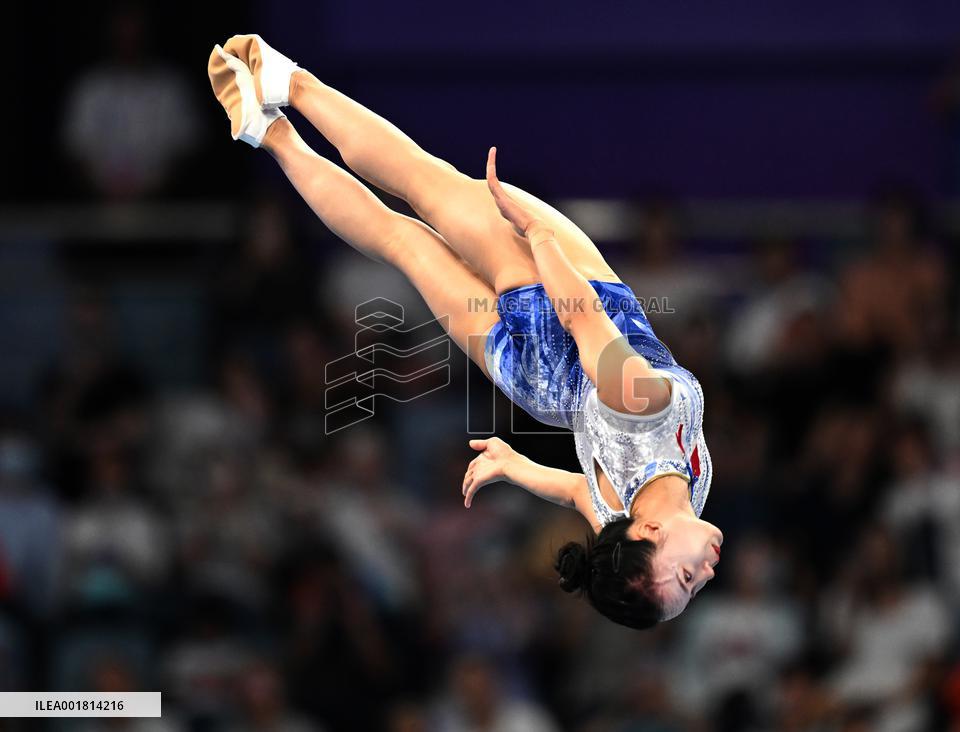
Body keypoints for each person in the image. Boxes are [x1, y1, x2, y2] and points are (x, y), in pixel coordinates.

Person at [207, 35, 721, 629]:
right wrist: (514, 466)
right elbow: (577, 491)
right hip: (534, 387)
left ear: (651, 532)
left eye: (685, 577)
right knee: (399, 243)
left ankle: (288, 83)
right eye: (693, 587)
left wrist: (540, 236)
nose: (705, 573)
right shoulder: (621, 517)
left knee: (424, 184)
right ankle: (268, 133)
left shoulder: (645, 410)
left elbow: (582, 318)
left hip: (560, 307)